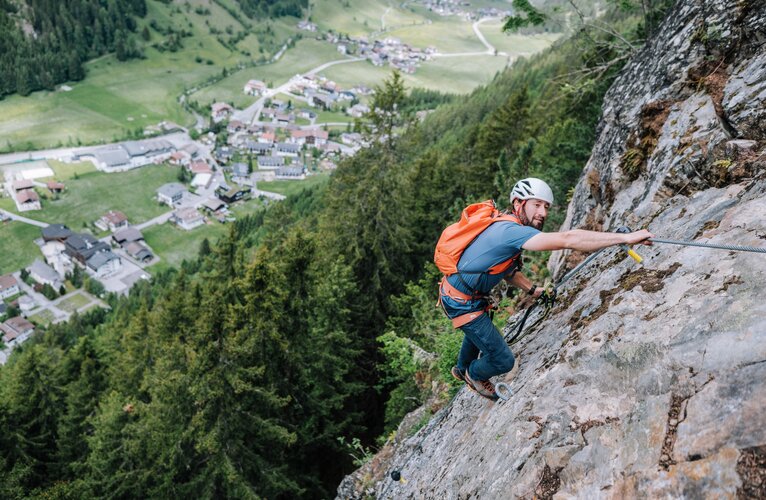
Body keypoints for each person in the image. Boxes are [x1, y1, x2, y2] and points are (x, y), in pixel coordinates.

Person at [439, 178, 654, 401]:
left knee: (479, 329)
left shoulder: (506, 224)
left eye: (546, 207)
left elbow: (507, 271)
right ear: (518, 203)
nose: (542, 212)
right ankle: (473, 374)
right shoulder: (509, 232)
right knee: (503, 360)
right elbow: (568, 239)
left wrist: (534, 290)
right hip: (462, 303)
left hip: (463, 294)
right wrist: (625, 238)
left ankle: (461, 368)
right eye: (537, 205)